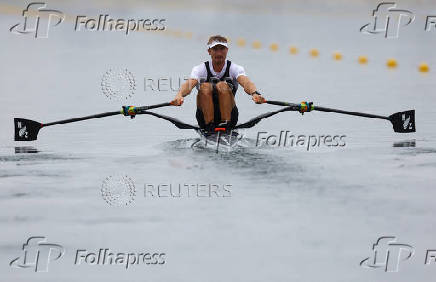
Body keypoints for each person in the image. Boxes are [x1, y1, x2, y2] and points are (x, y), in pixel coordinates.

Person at [171, 35, 266, 132]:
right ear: (209, 51)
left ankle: (225, 124)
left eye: (222, 49)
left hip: (230, 117)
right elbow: (189, 85)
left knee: (222, 85)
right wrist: (179, 95)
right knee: (205, 86)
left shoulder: (235, 68)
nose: (219, 53)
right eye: (215, 49)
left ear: (227, 50)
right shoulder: (200, 69)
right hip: (204, 119)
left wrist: (255, 93)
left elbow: (246, 82)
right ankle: (209, 125)